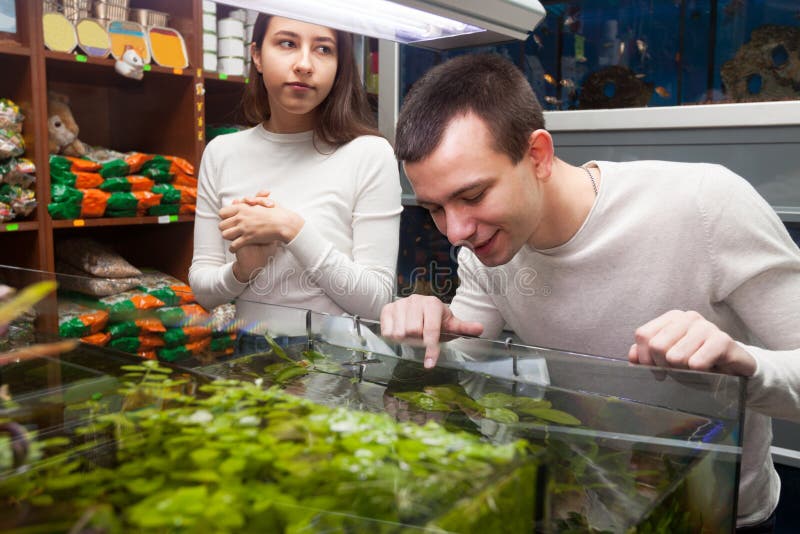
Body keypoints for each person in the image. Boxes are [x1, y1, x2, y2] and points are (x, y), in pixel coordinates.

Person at [379, 53, 800, 532]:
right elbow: (464, 368)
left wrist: (745, 364)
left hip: (715, 513)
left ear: (537, 155)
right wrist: (424, 330)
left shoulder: (706, 205)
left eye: (473, 196)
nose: (455, 231)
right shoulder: (485, 251)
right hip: (586, 511)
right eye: (435, 207)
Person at [189, 14, 402, 350]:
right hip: (251, 352)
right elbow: (203, 289)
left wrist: (291, 228)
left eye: (323, 49)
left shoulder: (369, 154)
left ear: (339, 64)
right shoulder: (221, 154)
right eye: (287, 43)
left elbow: (377, 303)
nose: (304, 64)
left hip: (340, 359)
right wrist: (244, 269)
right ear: (257, 55)